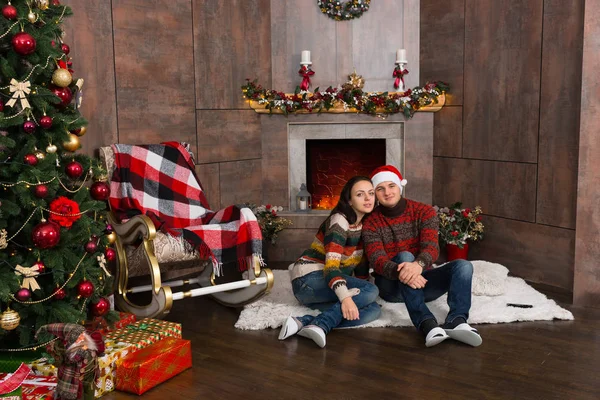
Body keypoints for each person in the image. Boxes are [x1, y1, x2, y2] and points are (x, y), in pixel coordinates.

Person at [362, 165, 482, 347]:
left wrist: (417, 266)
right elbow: (377, 260)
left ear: (400, 186)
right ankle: (426, 323)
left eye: (391, 186)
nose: (387, 192)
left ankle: (457, 320)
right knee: (404, 256)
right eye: (380, 189)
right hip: (391, 286)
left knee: (464, 266)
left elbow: (431, 248)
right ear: (375, 194)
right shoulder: (371, 221)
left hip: (422, 281)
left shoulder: (424, 211)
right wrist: (403, 269)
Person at [279, 176, 381, 348]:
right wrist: (347, 297)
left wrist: (360, 298)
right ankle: (322, 325)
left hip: (318, 292)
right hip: (309, 279)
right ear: (349, 200)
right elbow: (331, 268)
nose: (367, 198)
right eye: (360, 194)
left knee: (373, 309)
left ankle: (304, 321)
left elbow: (361, 266)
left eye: (371, 193)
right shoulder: (340, 221)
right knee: (371, 290)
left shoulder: (365, 225)